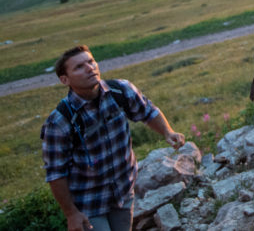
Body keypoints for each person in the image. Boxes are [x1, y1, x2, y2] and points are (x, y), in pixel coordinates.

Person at [41, 45, 185, 231]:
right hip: (89, 203)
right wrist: (71, 214)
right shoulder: (59, 122)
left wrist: (168, 131)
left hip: (123, 194)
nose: (89, 68)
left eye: (91, 61)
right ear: (64, 79)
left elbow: (148, 112)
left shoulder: (121, 91)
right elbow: (56, 174)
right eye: (79, 67)